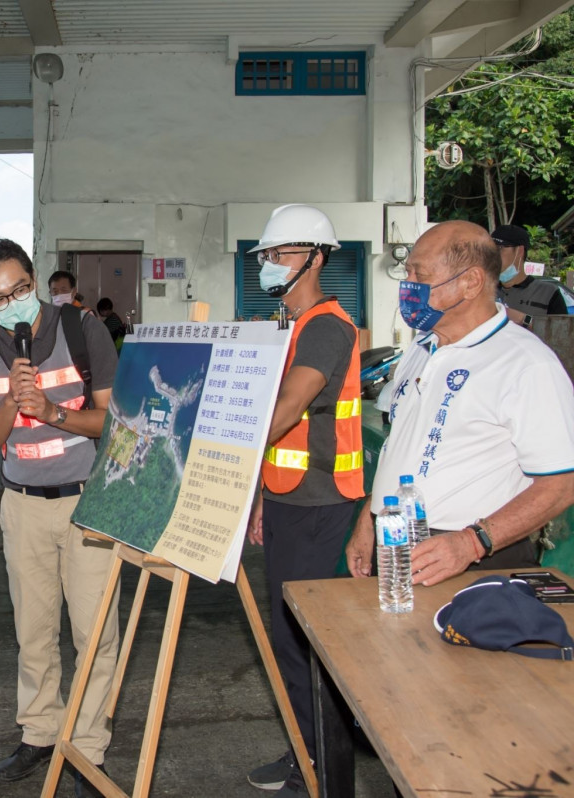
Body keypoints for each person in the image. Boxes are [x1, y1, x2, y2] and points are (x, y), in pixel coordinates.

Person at [0, 239, 120, 797]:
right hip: (22, 507)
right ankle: (40, 732)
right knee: (33, 631)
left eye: (22, 289)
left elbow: (113, 422)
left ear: (36, 280)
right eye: (0, 299)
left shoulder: (82, 329)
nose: (15, 304)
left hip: (87, 504)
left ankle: (89, 747)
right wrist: (12, 403)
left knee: (94, 633)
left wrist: (53, 413)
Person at [346, 220, 574, 586]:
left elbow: (561, 485)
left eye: (420, 275)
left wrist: (473, 542)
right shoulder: (422, 350)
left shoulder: (527, 364)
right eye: (408, 274)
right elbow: (403, 448)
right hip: (399, 543)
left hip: (473, 559)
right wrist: (369, 517)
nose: (409, 288)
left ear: (470, 282)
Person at [244, 205, 364, 798]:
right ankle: (304, 753)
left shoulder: (324, 326)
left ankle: (322, 770)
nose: (269, 265)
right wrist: (264, 496)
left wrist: (211, 439)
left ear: (315, 258)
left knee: (308, 643)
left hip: (321, 505)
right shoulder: (288, 324)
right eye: (265, 255)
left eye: (281, 254)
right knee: (288, 638)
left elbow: (286, 410)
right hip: (290, 499)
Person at [491, 224, 573, 328]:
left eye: (499, 248)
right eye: (490, 249)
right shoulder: (483, 291)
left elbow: (561, 333)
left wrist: (523, 319)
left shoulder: (549, 293)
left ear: (519, 251)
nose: (493, 255)